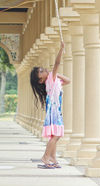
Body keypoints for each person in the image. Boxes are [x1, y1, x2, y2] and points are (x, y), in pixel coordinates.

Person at [30, 41, 70, 169]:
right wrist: (61, 49)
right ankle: (45, 157)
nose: (44, 70)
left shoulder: (52, 81)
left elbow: (68, 81)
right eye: (41, 71)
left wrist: (56, 74)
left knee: (55, 135)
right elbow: (57, 63)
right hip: (54, 111)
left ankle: (52, 157)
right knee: (57, 135)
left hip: (55, 110)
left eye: (42, 69)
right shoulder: (50, 80)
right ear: (40, 79)